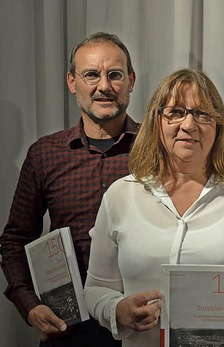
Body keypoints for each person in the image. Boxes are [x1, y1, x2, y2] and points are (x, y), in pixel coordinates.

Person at [83, 68, 224, 347]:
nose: (189, 125)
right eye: (176, 112)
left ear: (218, 126)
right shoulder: (120, 196)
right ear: (157, 122)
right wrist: (116, 311)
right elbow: (97, 288)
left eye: (202, 114)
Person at [0, 32, 138, 346]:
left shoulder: (157, 149)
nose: (104, 86)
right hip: (69, 330)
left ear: (131, 80)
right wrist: (29, 305)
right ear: (72, 82)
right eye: (91, 74)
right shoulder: (44, 154)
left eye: (114, 75)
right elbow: (16, 239)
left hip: (140, 326)